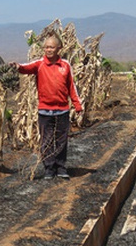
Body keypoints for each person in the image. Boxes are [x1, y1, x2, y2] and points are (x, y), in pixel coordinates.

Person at [10, 35, 83, 180]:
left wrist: (77, 104)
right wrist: (17, 66)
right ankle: (49, 168)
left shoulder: (65, 65)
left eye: (51, 47)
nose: (48, 50)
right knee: (47, 140)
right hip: (45, 110)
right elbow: (25, 68)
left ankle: (61, 168)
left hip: (62, 109)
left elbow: (71, 86)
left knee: (61, 140)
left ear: (59, 48)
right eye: (46, 47)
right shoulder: (40, 64)